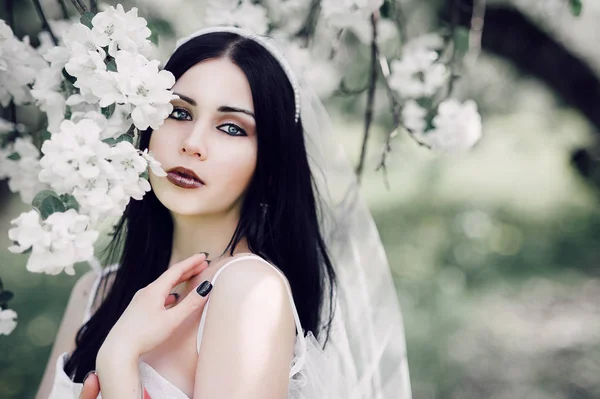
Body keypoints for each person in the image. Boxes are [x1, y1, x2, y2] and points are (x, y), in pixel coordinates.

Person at [35, 26, 412, 399]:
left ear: (268, 162)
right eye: (179, 113)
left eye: (231, 128)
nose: (193, 144)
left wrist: (118, 362)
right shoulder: (95, 292)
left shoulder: (249, 292)